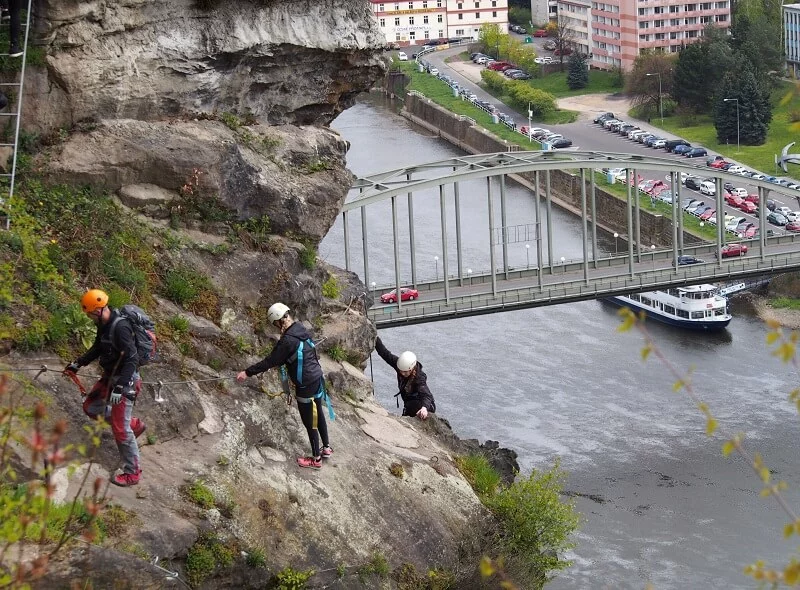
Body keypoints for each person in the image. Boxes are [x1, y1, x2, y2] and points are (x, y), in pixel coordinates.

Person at [63, 289, 146, 487]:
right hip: (110, 376)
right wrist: (78, 363)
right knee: (91, 407)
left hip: (126, 380)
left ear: (99, 310)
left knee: (120, 429)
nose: (90, 317)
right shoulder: (104, 325)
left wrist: (121, 386)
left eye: (91, 313)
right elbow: (98, 347)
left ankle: (132, 473)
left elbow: (132, 359)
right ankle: (134, 425)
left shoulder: (121, 327)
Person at [236, 302, 334, 469]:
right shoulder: (300, 329)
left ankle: (316, 459)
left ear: (278, 321)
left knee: (310, 422)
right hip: (317, 378)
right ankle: (326, 448)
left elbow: (270, 361)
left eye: (274, 324)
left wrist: (247, 372)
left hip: (305, 385)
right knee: (319, 414)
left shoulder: (287, 341)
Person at [374, 337, 436, 420]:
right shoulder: (400, 365)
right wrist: (374, 338)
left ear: (412, 369)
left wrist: (424, 408)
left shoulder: (419, 378)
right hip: (409, 402)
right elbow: (385, 354)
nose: (402, 373)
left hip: (424, 405)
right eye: (401, 371)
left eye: (405, 371)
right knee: (409, 405)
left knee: (411, 405)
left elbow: (426, 395)